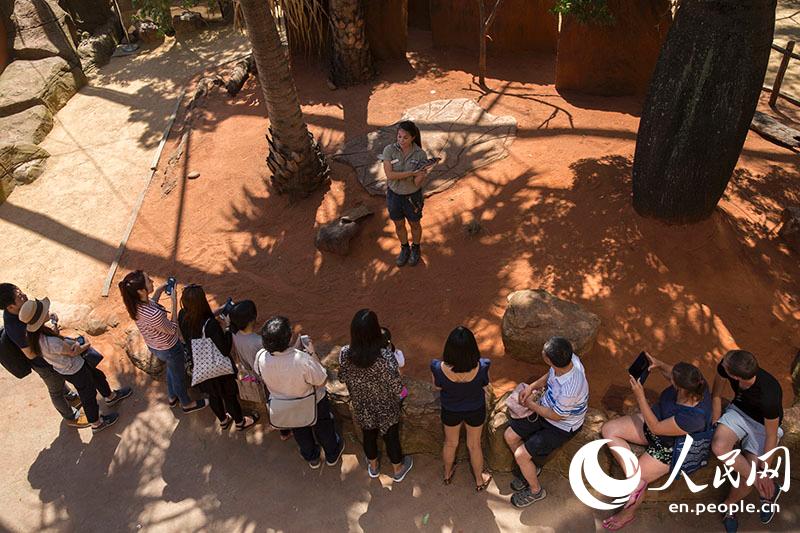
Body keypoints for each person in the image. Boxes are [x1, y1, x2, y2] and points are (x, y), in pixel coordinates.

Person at [600, 356, 712, 530]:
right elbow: (673, 373)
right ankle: (634, 478)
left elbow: (657, 428)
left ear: (680, 388)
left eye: (672, 379)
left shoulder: (693, 417)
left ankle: (628, 512)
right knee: (610, 430)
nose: (669, 378)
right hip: (654, 421)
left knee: (640, 477)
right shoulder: (694, 382)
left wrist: (640, 396)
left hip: (670, 447)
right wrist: (659, 364)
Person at [19, 297, 132, 433]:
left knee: (97, 376)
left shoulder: (35, 336)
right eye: (44, 310)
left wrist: (54, 324)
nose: (48, 310)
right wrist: (85, 343)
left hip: (71, 368)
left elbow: (57, 342)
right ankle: (96, 423)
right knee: (88, 396)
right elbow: (73, 352)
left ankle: (110, 397)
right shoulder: (51, 343)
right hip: (76, 370)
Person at [504, 336, 589, 508]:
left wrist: (530, 405)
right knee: (510, 436)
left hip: (561, 426)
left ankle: (536, 491)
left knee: (521, 455)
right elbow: (550, 373)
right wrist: (532, 386)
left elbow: (557, 416)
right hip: (545, 409)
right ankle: (531, 470)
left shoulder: (570, 389)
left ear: (549, 359)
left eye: (545, 353)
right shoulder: (569, 359)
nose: (542, 353)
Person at [256, 316, 344, 469]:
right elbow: (321, 379)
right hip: (313, 403)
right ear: (288, 337)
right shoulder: (303, 360)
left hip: (285, 406)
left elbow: (274, 366)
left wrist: (295, 348)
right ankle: (332, 453)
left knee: (300, 431)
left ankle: (312, 458)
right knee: (324, 427)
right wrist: (311, 354)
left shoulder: (260, 357)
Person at [711, 350, 784, 532]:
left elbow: (771, 435)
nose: (722, 364)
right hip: (738, 412)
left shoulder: (770, 394)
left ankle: (728, 506)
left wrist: (763, 470)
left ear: (735, 376)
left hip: (763, 427)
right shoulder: (726, 366)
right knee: (719, 447)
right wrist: (715, 418)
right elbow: (716, 395)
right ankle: (768, 490)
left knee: (746, 480)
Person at [338, 309, 413, 481]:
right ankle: (398, 469)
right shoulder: (385, 357)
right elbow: (396, 386)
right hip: (387, 405)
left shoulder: (345, 353)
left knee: (368, 435)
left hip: (362, 404)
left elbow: (342, 377)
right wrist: (403, 393)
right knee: (391, 436)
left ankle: (373, 466)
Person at [0, 283, 87, 427]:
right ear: (10, 307)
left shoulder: (21, 310)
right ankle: (70, 417)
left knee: (59, 380)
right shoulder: (15, 328)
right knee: (55, 390)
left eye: (20, 292)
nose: (24, 296)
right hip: (43, 364)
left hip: (48, 359)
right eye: (19, 296)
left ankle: (70, 397)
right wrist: (50, 344)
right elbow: (30, 354)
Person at [119, 271, 206, 413]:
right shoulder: (154, 315)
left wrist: (160, 289)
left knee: (171, 369)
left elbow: (152, 303)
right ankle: (186, 404)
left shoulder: (136, 305)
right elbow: (172, 329)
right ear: (141, 291)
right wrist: (174, 301)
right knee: (179, 377)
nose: (152, 281)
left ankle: (172, 397)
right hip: (170, 348)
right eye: (149, 281)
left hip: (155, 346)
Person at [178, 285, 258, 431]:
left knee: (213, 396)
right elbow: (225, 349)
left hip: (201, 368)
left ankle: (223, 420)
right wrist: (227, 327)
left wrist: (216, 312)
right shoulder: (211, 325)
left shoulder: (182, 316)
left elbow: (197, 325)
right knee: (229, 397)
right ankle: (240, 422)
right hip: (219, 370)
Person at [430, 326, 493, 491]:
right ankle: (479, 481)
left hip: (451, 410)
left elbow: (437, 387)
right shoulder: (483, 365)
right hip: (475, 409)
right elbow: (485, 384)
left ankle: (447, 474)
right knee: (474, 445)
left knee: (450, 443)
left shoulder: (437, 367)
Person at [229, 300, 291, 440]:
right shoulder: (259, 341)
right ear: (253, 318)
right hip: (267, 376)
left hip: (253, 373)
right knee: (277, 401)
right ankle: (285, 430)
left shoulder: (235, 334)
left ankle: (283, 430)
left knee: (271, 401)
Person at [380, 120, 434, 267]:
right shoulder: (389, 151)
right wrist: (411, 172)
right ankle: (404, 248)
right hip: (394, 196)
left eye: (405, 137)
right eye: (399, 136)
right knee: (398, 225)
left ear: (413, 138)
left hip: (412, 196)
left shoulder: (420, 154)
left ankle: (415, 247)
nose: (401, 140)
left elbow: (416, 183)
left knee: (414, 224)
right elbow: (389, 175)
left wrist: (422, 175)